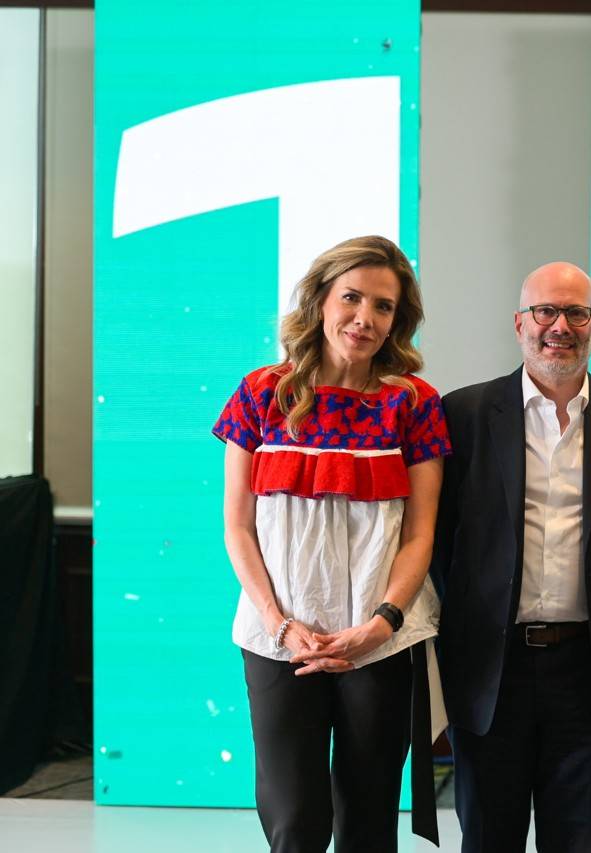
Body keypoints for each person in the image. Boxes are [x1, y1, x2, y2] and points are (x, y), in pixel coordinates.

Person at [214, 235, 449, 852]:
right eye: (351, 298)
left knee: (369, 820)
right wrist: (278, 623)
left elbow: (420, 532)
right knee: (294, 820)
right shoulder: (261, 394)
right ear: (320, 300)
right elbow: (237, 525)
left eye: (383, 306)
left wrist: (381, 623)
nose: (364, 319)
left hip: (381, 638)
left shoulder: (414, 404)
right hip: (278, 638)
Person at [430, 261, 591, 852]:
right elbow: (437, 542)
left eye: (576, 313)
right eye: (545, 312)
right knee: (488, 840)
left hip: (589, 672)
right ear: (519, 323)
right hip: (491, 671)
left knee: (576, 842)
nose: (560, 326)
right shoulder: (464, 415)